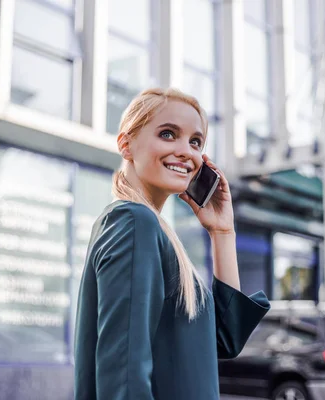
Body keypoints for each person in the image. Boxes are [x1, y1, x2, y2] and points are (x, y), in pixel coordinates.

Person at [73, 87, 270, 400]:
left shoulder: (153, 231)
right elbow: (124, 378)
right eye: (168, 134)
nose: (187, 152)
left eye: (195, 142)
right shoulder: (133, 222)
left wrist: (222, 233)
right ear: (126, 144)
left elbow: (225, 340)